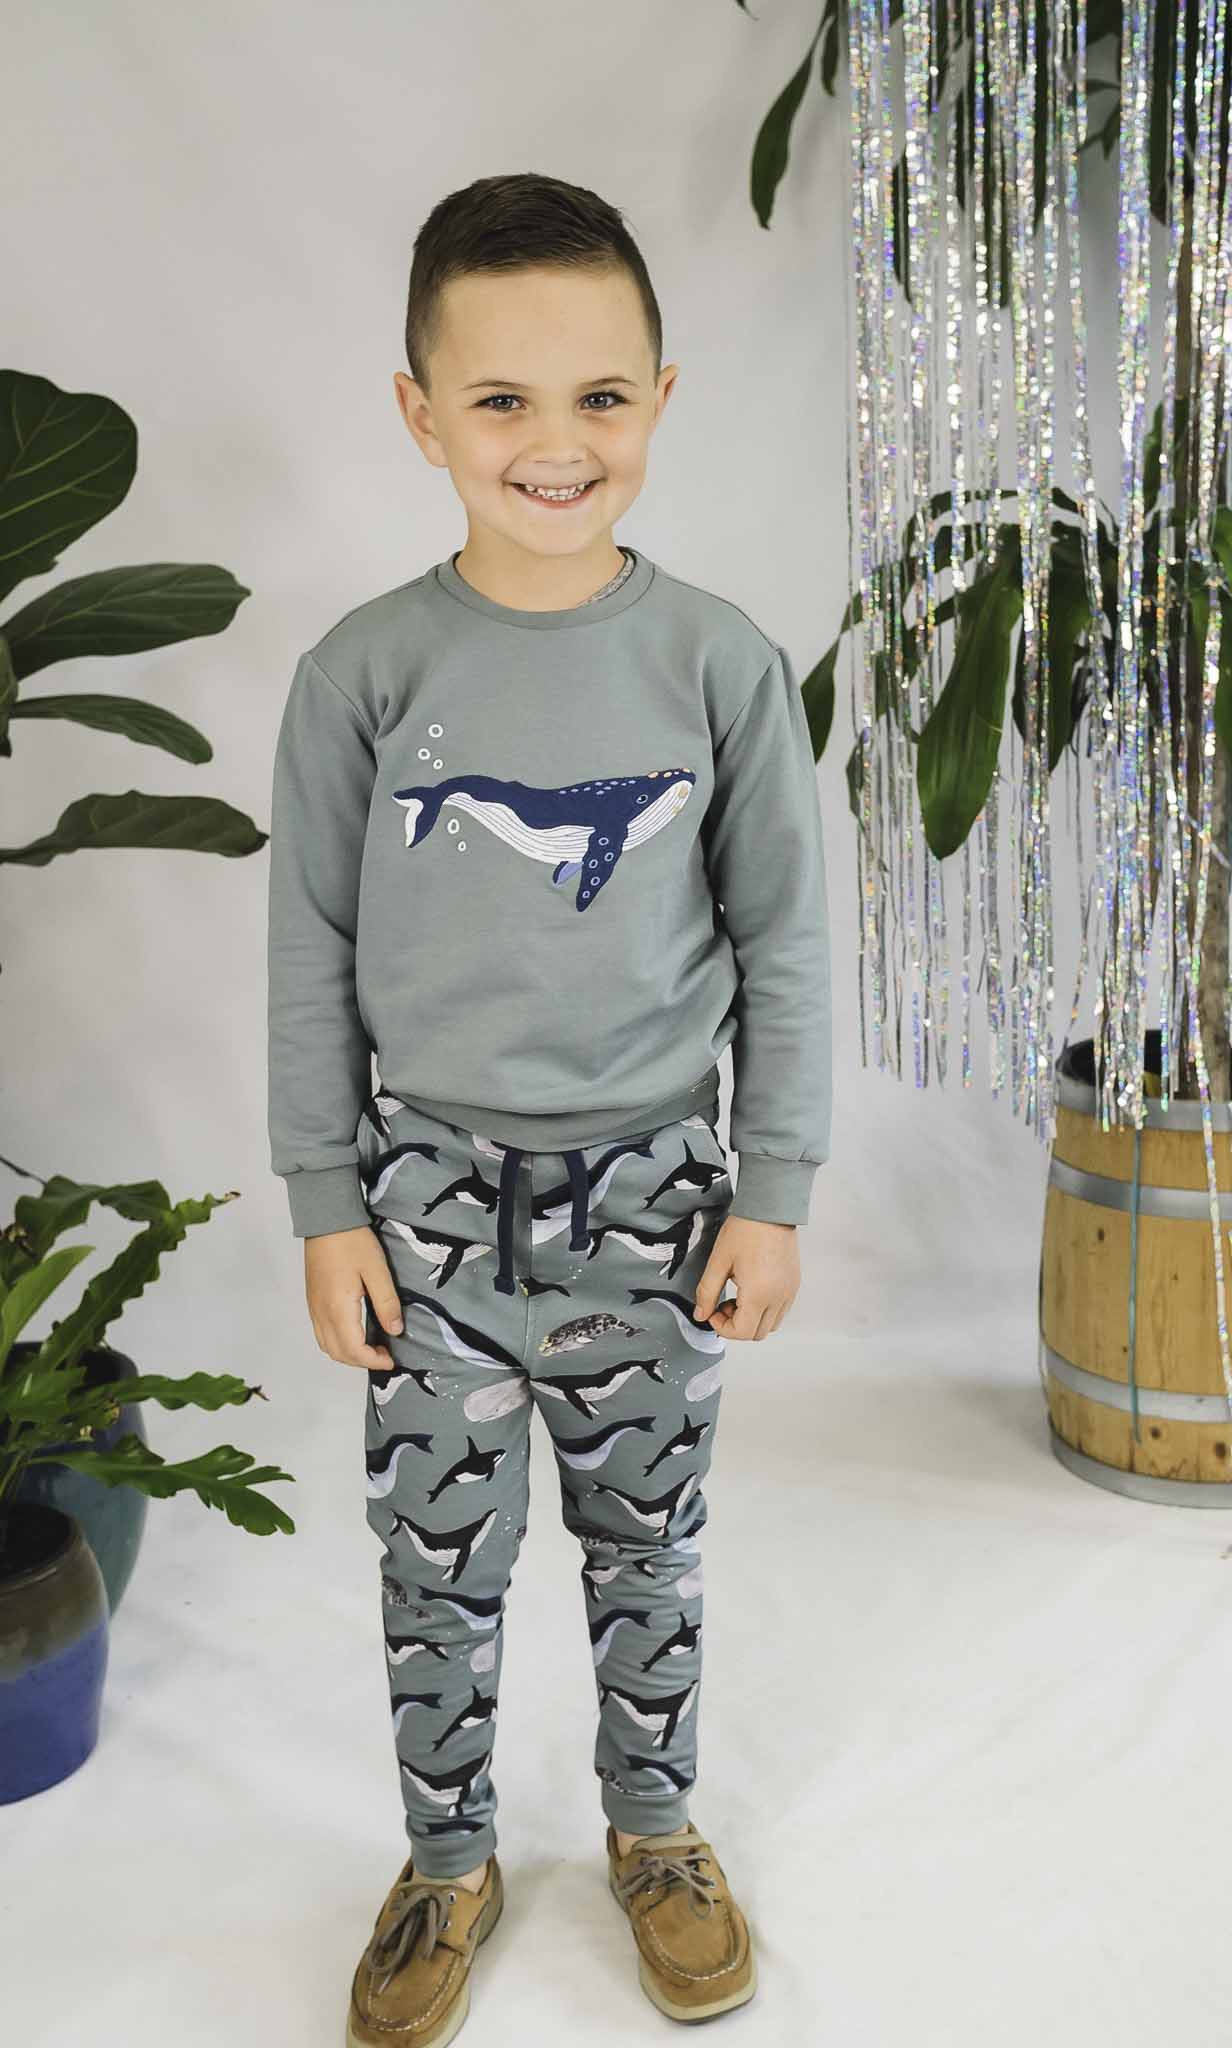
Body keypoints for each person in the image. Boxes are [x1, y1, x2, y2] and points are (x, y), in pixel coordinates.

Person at [266, 169, 832, 2045]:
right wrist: (326, 1200)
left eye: (597, 396)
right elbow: (308, 948)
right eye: (499, 399)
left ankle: (653, 1833)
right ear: (418, 412)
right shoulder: (363, 674)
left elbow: (781, 939)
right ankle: (447, 1859)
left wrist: (773, 1188)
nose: (554, 443)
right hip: (425, 1203)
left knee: (645, 1543)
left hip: (655, 1195)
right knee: (435, 1564)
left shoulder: (717, 664)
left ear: (660, 400)